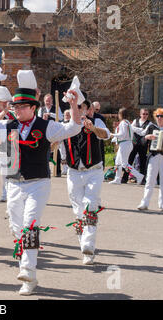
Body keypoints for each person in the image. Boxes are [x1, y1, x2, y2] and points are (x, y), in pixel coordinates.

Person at [0, 73, 82, 296]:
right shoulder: (8, 126)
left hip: (38, 184)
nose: (17, 110)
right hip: (15, 184)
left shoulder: (47, 126)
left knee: (30, 226)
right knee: (17, 229)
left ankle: (28, 274)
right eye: (15, 106)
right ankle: (27, 269)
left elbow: (74, 127)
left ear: (33, 107)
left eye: (22, 106)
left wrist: (73, 104)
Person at [64, 99, 110, 266]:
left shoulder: (95, 121)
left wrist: (93, 128)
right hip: (74, 172)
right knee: (78, 211)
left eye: (80, 107)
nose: (78, 110)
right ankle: (83, 244)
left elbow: (105, 135)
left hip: (93, 171)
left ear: (87, 109)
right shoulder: (66, 125)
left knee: (90, 206)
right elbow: (52, 144)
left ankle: (89, 247)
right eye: (74, 107)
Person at [137, 108, 163, 211]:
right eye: (157, 116)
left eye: (162, 116)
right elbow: (142, 142)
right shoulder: (152, 127)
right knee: (149, 180)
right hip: (153, 156)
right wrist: (146, 137)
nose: (159, 118)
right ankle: (144, 203)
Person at [109, 108, 144, 185]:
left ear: (120, 114)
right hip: (125, 144)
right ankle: (117, 179)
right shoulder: (127, 122)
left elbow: (122, 134)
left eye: (119, 114)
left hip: (125, 144)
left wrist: (112, 135)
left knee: (124, 163)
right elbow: (132, 130)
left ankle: (139, 176)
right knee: (118, 162)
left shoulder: (123, 123)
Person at [0, 86, 14, 201]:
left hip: (14, 145)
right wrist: (5, 111)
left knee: (14, 171)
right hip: (2, 146)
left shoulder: (13, 113)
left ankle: (12, 193)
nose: (5, 104)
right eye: (2, 102)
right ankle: (5, 193)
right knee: (3, 171)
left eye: (6, 102)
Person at [124, 108, 152, 184]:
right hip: (134, 144)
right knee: (129, 160)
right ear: (140, 114)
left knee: (143, 162)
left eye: (146, 114)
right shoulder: (135, 121)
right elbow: (131, 128)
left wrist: (136, 129)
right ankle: (124, 178)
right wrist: (140, 130)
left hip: (143, 145)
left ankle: (142, 179)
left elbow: (144, 132)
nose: (145, 115)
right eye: (143, 114)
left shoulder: (149, 124)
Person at [92, 101, 106, 168]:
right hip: (92, 136)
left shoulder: (100, 117)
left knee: (100, 152)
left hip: (98, 137)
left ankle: (101, 166)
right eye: (96, 109)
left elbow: (104, 129)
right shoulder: (88, 116)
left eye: (98, 109)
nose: (96, 111)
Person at [59, 109, 71, 175]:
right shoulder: (61, 123)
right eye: (66, 115)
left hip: (69, 140)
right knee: (63, 154)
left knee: (68, 153)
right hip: (62, 140)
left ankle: (69, 168)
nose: (67, 116)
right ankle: (64, 169)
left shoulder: (71, 123)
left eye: (68, 114)